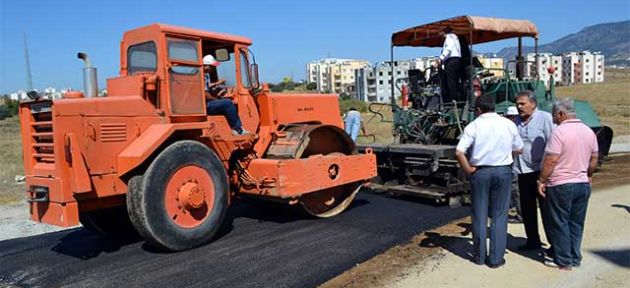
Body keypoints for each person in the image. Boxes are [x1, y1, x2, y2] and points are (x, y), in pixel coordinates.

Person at [455, 94, 524, 268]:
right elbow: (519, 149)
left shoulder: (473, 126)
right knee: (499, 216)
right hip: (503, 172)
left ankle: (478, 256)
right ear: (494, 107)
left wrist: (469, 169)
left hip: (480, 173)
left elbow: (459, 152)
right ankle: (495, 259)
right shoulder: (508, 124)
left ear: (478, 110)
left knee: (479, 215)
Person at [537, 98, 598, 270]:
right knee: (576, 223)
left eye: (554, 114)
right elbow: (594, 159)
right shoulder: (588, 131)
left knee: (559, 222)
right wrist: (588, 175)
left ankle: (563, 260)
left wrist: (541, 180)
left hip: (560, 184)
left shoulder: (559, 133)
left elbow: (551, 160)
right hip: (582, 183)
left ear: (561, 113)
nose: (553, 118)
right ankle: (575, 257)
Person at [513, 90, 555, 251]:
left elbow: (553, 144)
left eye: (523, 103)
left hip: (541, 172)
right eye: (517, 104)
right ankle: (532, 240)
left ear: (533, 104)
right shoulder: (516, 122)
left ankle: (554, 243)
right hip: (522, 171)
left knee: (546, 209)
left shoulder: (545, 119)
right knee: (527, 208)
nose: (519, 107)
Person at [203, 54, 250, 136]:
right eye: (212, 67)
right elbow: (205, 94)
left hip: (203, 105)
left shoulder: (203, 75)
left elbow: (206, 86)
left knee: (222, 101)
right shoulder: (202, 76)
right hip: (205, 106)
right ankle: (237, 129)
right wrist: (216, 99)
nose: (213, 69)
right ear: (206, 66)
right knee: (228, 103)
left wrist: (217, 83)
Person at [505, 106, 523, 223]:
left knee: (516, 189)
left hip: (517, 163)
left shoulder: (517, 128)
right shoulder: (508, 127)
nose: (511, 119)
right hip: (511, 162)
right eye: (509, 117)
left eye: (513, 117)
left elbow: (518, 148)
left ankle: (521, 215)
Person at [438, 26, 461, 103]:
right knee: (454, 80)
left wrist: (440, 58)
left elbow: (448, 48)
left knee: (450, 81)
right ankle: (455, 98)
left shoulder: (450, 37)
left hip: (452, 60)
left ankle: (453, 100)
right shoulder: (454, 37)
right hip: (456, 60)